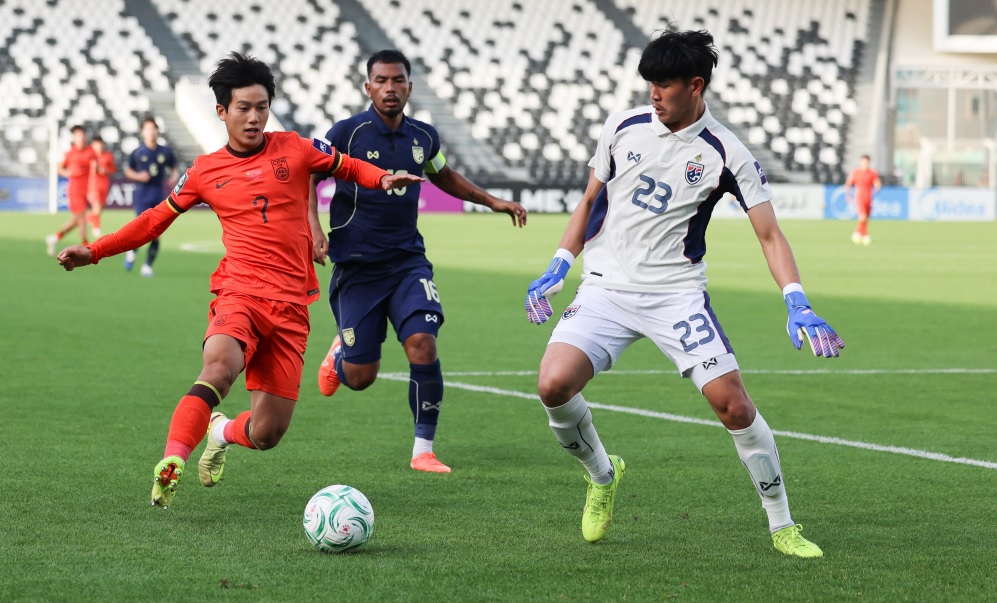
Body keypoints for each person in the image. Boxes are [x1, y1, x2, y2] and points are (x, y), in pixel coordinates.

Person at [523, 30, 844, 557]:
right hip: (606, 289)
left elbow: (769, 234)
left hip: (676, 296)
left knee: (733, 406)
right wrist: (559, 263)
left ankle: (782, 525)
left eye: (665, 85)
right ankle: (602, 474)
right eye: (649, 83)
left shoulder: (727, 153)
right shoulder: (622, 127)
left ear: (695, 86)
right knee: (553, 385)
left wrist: (797, 299)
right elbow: (589, 201)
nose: (654, 94)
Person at [56, 52, 424, 510]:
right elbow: (153, 220)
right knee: (218, 368)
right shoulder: (204, 171)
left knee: (267, 433)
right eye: (244, 108)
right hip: (240, 294)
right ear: (222, 111)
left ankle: (222, 432)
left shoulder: (295, 147)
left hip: (291, 306)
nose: (254, 118)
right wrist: (95, 251)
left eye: (262, 107)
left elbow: (347, 166)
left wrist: (382, 177)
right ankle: (173, 459)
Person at [310, 50, 527, 473]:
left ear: (410, 87)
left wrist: (493, 201)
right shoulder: (347, 133)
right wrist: (313, 229)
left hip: (408, 263)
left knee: (423, 344)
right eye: (381, 80)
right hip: (357, 266)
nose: (390, 88)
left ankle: (423, 449)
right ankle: (340, 355)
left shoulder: (424, 137)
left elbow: (443, 175)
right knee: (361, 377)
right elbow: (310, 175)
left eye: (398, 80)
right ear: (367, 87)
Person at [123, 117, 178, 277]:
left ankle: (147, 266)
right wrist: (138, 176)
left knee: (156, 232)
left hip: (158, 194)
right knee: (141, 229)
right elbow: (128, 170)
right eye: (148, 129)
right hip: (142, 194)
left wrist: (174, 176)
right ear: (143, 132)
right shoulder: (138, 152)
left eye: (154, 128)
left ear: (157, 131)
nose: (151, 132)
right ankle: (132, 251)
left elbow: (174, 167)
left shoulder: (165, 151)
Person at [46, 125, 95, 255]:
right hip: (75, 190)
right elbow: (59, 167)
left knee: (76, 220)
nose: (80, 138)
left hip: (86, 190)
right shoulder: (70, 153)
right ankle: (87, 246)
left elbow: (95, 169)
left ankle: (54, 238)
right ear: (74, 137)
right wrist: (66, 173)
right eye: (77, 135)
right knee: (82, 217)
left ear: (85, 136)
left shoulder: (91, 152)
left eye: (82, 135)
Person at [844, 154, 881, 245]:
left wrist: (875, 190)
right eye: (863, 161)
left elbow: (877, 184)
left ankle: (861, 233)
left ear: (869, 162)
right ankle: (863, 234)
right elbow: (848, 183)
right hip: (859, 196)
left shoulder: (872, 173)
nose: (865, 163)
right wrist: (847, 195)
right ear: (860, 162)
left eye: (866, 162)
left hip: (868, 196)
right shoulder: (856, 172)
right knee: (862, 216)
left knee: (866, 217)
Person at [87, 135, 117, 238]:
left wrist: (105, 170)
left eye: (100, 144)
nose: (99, 146)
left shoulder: (108, 156)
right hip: (93, 185)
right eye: (96, 144)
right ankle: (96, 229)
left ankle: (85, 219)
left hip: (104, 185)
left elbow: (112, 169)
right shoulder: (89, 156)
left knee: (101, 208)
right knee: (97, 207)